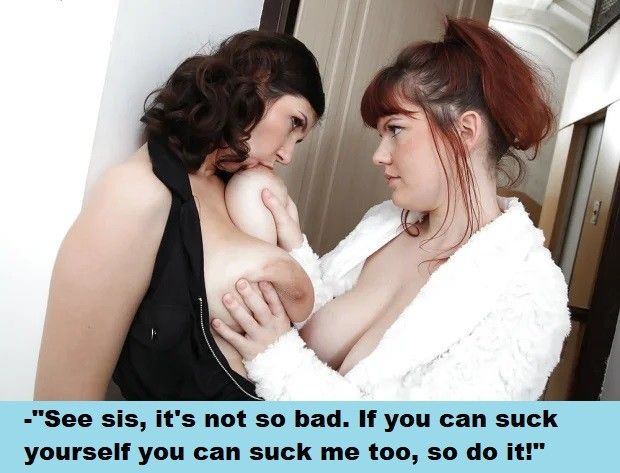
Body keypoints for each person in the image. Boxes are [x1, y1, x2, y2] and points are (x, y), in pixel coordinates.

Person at [211, 17, 572, 400]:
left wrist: (276, 358)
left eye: (396, 130)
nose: (379, 155)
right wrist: (295, 248)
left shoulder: (531, 295)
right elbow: (317, 324)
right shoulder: (385, 223)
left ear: (465, 131)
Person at [34, 30, 324, 400]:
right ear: (258, 81)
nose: (287, 155)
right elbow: (61, 404)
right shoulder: (137, 194)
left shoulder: (233, 186)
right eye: (294, 122)